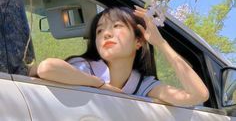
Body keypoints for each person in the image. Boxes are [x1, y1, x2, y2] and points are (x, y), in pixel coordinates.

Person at [35, 6, 209, 106]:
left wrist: (161, 44)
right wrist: (101, 85)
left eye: (116, 26)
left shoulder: (142, 85)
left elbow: (198, 96)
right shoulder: (86, 68)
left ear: (139, 41)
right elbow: (47, 68)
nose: (106, 34)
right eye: (100, 30)